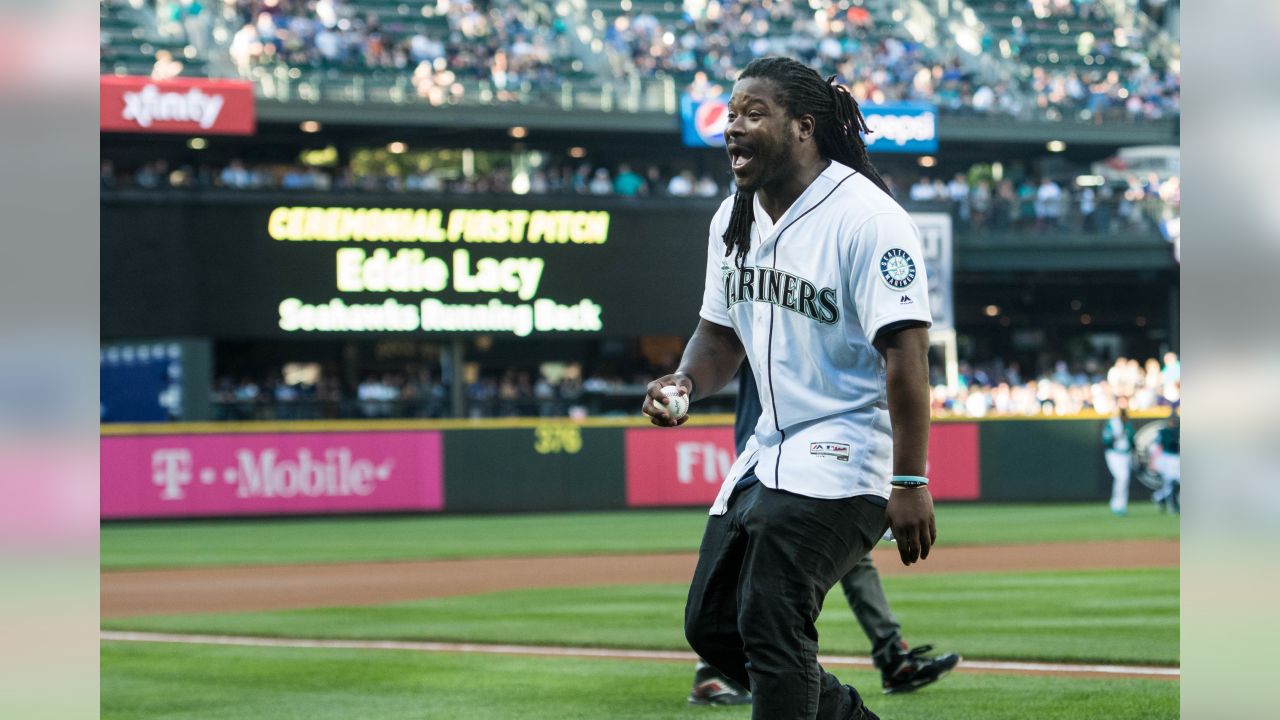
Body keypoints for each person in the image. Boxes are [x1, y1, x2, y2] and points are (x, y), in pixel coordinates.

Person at [643, 57, 938, 720]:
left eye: (754, 113)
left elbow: (908, 358)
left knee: (772, 616)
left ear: (804, 128)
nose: (733, 127)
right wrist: (688, 379)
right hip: (768, 449)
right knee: (713, 627)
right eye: (732, 112)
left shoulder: (868, 218)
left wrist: (911, 481)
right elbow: (720, 336)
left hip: (848, 451)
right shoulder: (733, 217)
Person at [688, 361, 960, 706]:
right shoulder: (766, 324)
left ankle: (892, 655)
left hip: (812, 456)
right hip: (772, 452)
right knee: (756, 600)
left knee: (789, 595)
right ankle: (713, 670)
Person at [1101, 403, 1136, 516]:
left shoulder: (1128, 425)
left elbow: (1132, 441)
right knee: (1122, 477)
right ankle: (1117, 504)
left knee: (1124, 479)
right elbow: (1106, 441)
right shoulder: (1112, 423)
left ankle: (1121, 505)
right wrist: (1116, 436)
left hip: (1126, 454)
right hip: (1114, 454)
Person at [1150, 406, 1180, 514]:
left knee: (1173, 483)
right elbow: (1155, 447)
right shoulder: (1164, 432)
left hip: (1177, 457)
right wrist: (1154, 461)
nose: (1175, 422)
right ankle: (1172, 505)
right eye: (1173, 420)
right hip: (1167, 458)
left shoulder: (1178, 430)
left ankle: (1158, 497)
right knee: (1171, 482)